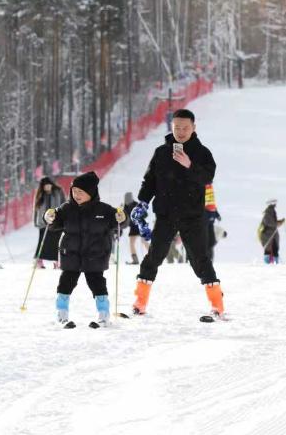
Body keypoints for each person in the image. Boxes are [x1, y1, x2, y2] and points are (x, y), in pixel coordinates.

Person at [130, 108, 225, 319]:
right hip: (165, 214)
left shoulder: (202, 153)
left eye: (185, 128)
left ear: (193, 128)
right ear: (171, 127)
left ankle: (217, 304)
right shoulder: (161, 152)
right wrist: (143, 202)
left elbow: (207, 177)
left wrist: (189, 165)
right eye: (177, 128)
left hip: (193, 216)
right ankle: (140, 301)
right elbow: (149, 181)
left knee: (199, 259)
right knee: (154, 256)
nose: (181, 132)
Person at [44, 171, 124, 327]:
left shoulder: (104, 210)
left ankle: (103, 314)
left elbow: (119, 221)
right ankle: (61, 313)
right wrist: (49, 217)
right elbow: (53, 223)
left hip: (95, 256)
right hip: (71, 255)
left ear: (91, 192)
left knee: (97, 284)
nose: (76, 195)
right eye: (74, 191)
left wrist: (122, 217)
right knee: (65, 283)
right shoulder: (66, 209)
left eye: (80, 192)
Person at [32, 177, 64, 268]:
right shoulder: (40, 194)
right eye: (45, 186)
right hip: (43, 222)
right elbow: (35, 209)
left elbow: (64, 204)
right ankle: (38, 260)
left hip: (56, 221)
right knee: (42, 242)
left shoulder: (58, 192)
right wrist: (35, 221)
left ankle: (56, 261)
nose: (47, 187)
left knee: (55, 242)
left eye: (49, 185)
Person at [260, 199, 283, 264]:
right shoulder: (268, 212)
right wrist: (278, 223)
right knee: (268, 250)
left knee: (275, 249)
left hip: (272, 235)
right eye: (274, 203)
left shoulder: (271, 211)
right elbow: (269, 222)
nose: (275, 204)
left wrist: (279, 222)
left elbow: (272, 222)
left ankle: (275, 264)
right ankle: (268, 264)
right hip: (268, 235)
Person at [123, 191, 144, 264]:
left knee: (144, 242)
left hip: (139, 225)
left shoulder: (136, 204)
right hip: (133, 227)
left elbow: (143, 214)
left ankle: (153, 257)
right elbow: (125, 216)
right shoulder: (126, 206)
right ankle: (135, 260)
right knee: (132, 243)